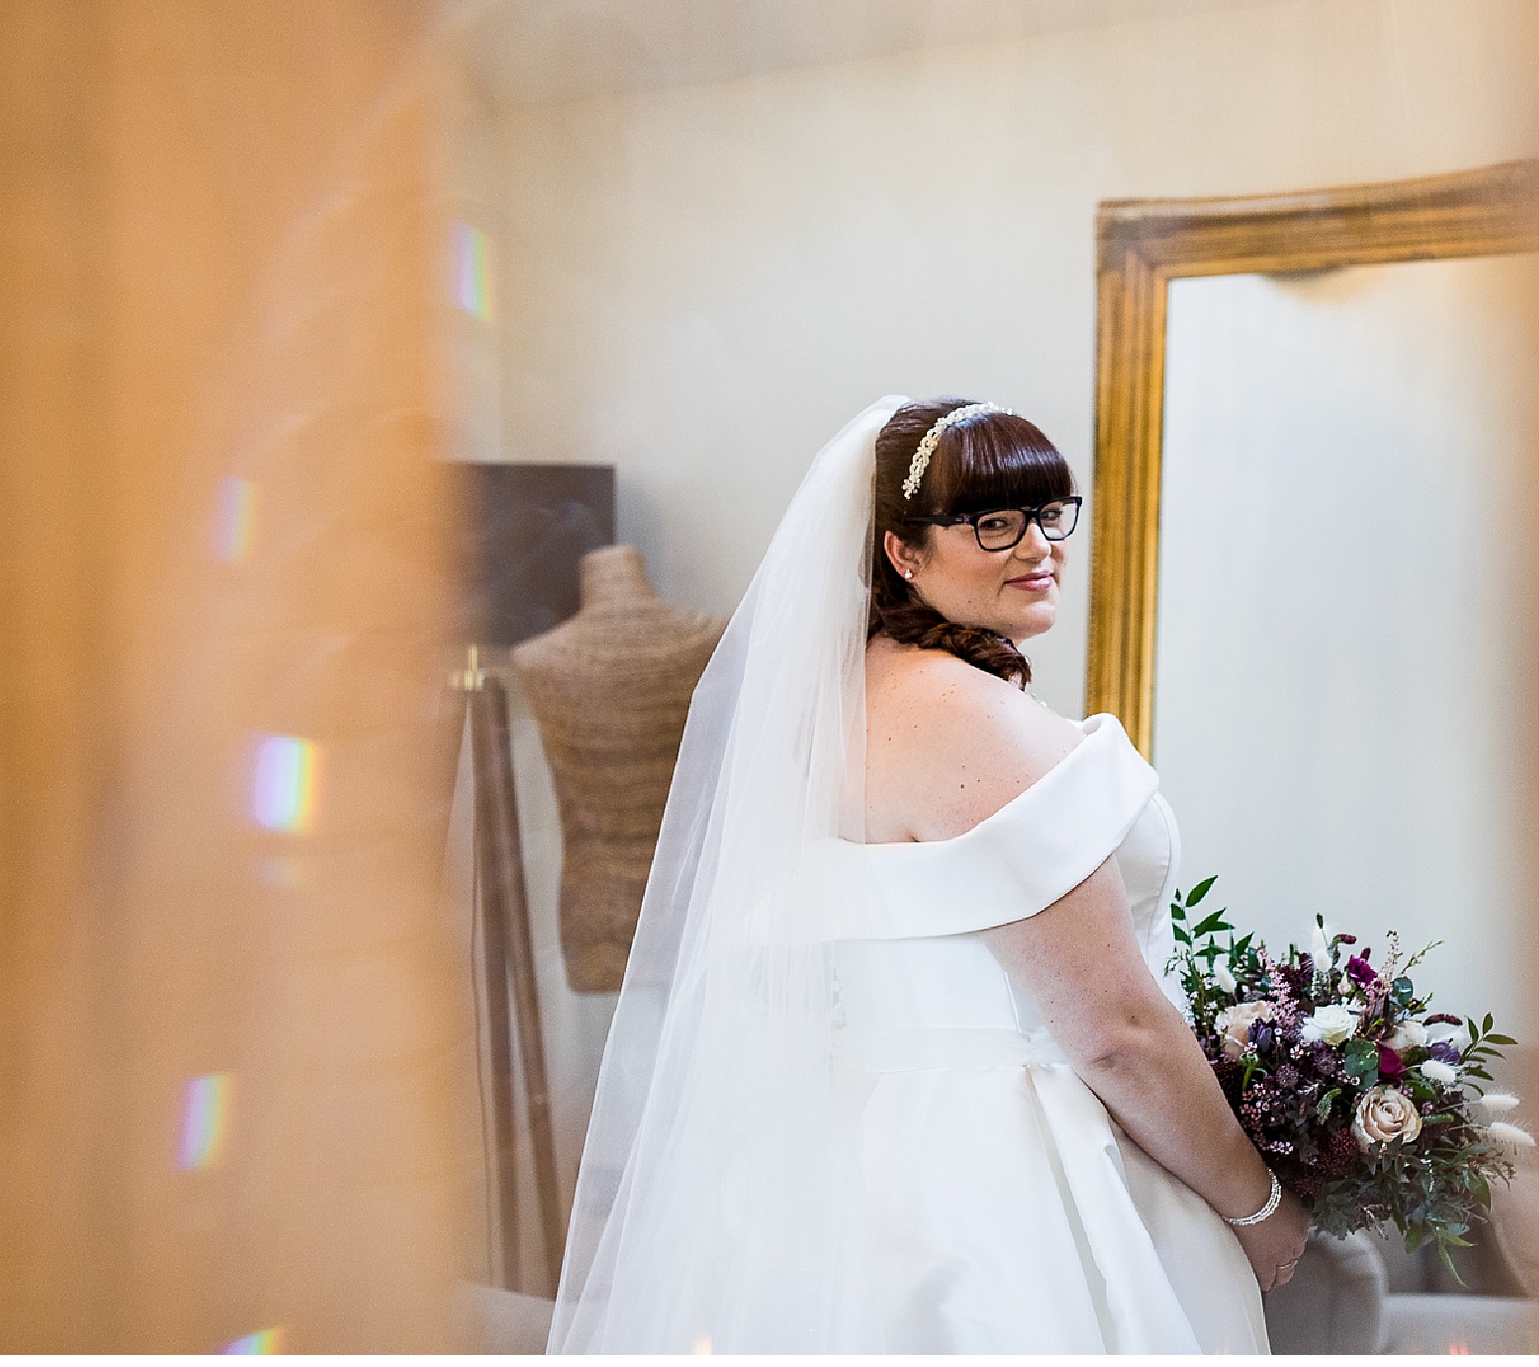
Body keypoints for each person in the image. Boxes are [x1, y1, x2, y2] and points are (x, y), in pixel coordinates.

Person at [548, 397, 1308, 1353]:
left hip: (834, 1162)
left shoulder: (829, 715)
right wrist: (1258, 1204)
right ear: (903, 553)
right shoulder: (968, 719)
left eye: (1050, 513)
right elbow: (1114, 1033)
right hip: (1005, 1178)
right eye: (993, 522)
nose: (1039, 546)